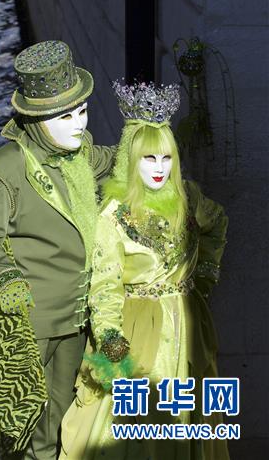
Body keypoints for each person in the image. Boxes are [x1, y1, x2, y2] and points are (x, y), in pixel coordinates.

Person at [0, 41, 116, 460]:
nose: (78, 124)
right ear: (34, 119)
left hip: (76, 317)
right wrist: (5, 278)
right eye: (64, 116)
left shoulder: (80, 153)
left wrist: (154, 146)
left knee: (62, 417)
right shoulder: (3, 169)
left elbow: (115, 160)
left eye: (82, 111)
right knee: (20, 423)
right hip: (29, 322)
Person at [59, 81, 229, 460]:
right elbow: (104, 286)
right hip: (139, 332)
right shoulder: (114, 216)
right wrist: (111, 340)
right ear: (132, 160)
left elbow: (217, 224)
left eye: (166, 158)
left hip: (188, 326)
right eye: (149, 159)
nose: (159, 168)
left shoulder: (190, 199)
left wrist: (204, 274)